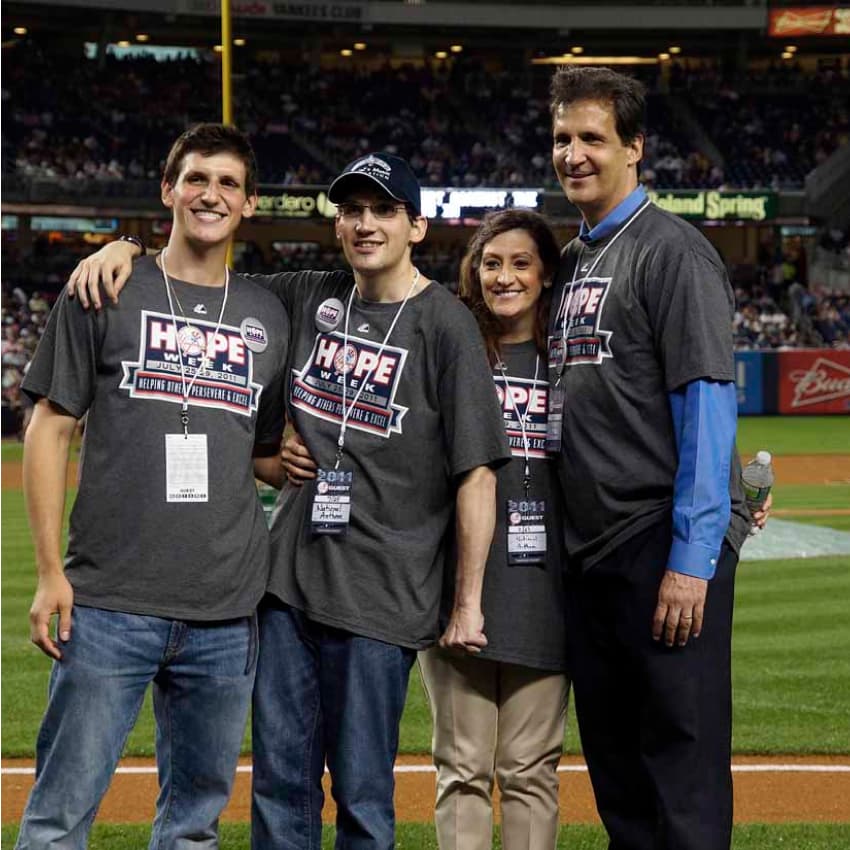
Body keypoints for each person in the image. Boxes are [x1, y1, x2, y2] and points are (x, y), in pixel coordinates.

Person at [65, 151, 511, 850]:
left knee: (363, 795)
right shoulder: (305, 293)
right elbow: (198, 274)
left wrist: (467, 603)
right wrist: (126, 247)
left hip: (383, 599)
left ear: (416, 227)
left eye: (383, 211)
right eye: (352, 211)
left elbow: (477, 474)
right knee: (278, 786)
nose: (365, 224)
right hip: (284, 588)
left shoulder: (445, 324)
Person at [16, 123, 289, 849]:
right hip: (108, 603)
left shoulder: (268, 313)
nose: (212, 194)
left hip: (227, 613)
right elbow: (48, 429)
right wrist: (50, 573)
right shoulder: (105, 286)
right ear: (167, 190)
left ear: (251, 203)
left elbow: (260, 451)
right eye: (196, 178)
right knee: (58, 820)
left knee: (194, 828)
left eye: (229, 183)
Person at [546, 66, 751, 850]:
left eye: (593, 138)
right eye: (563, 139)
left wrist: (692, 558)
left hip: (656, 541)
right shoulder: (572, 262)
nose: (574, 154)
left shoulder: (673, 252)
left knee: (681, 766)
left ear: (634, 148)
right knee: (618, 771)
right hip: (591, 551)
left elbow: (706, 403)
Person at [418, 210, 569, 850]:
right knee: (463, 767)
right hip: (457, 582)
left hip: (549, 587)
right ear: (472, 274)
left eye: (520, 263)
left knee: (530, 768)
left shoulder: (571, 356)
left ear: (546, 275)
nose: (504, 277)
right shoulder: (450, 346)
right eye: (490, 263)